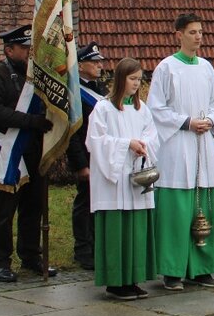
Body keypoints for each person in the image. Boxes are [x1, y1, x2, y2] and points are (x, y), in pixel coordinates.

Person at [147, 13, 214, 291]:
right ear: (178, 35)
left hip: (203, 145)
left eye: (200, 31)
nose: (198, 36)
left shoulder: (206, 68)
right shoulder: (166, 68)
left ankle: (201, 268)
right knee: (177, 212)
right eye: (192, 32)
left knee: (204, 207)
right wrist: (186, 122)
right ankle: (172, 270)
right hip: (178, 146)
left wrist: (212, 121)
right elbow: (155, 108)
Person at [0, 24, 56, 283]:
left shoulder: (36, 77)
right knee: (5, 209)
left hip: (34, 149)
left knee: (34, 206)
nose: (27, 53)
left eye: (29, 48)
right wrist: (30, 121)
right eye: (23, 48)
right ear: (8, 49)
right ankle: (0, 261)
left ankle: (31, 255)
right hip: (9, 150)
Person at [87, 57, 159, 300]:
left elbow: (153, 137)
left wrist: (143, 146)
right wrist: (127, 144)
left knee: (136, 230)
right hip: (114, 181)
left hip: (136, 177)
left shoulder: (143, 109)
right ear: (120, 79)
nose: (137, 84)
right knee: (118, 229)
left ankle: (133, 279)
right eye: (132, 79)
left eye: (139, 79)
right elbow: (95, 141)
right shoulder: (103, 108)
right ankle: (116, 282)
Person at [67, 42, 109, 270]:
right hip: (85, 156)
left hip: (102, 156)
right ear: (81, 66)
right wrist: (79, 164)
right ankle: (83, 249)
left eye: (100, 61)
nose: (99, 65)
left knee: (99, 203)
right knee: (85, 203)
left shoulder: (100, 90)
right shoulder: (75, 92)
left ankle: (96, 245)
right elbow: (72, 132)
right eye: (94, 62)